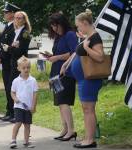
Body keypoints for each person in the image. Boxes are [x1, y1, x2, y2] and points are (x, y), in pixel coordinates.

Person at [60, 9, 104, 148]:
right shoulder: (87, 37)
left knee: (88, 109)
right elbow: (76, 53)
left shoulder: (95, 37)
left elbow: (100, 57)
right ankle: (88, 137)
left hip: (90, 80)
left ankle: (90, 140)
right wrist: (66, 64)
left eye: (78, 26)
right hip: (83, 80)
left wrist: (87, 48)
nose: (78, 28)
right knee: (86, 109)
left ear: (85, 23)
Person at [47, 12, 78, 141]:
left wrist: (58, 57)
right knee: (59, 103)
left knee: (64, 102)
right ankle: (65, 129)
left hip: (66, 73)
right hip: (55, 73)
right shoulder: (58, 37)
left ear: (61, 24)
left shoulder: (70, 34)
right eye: (52, 26)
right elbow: (59, 52)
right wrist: (51, 56)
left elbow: (74, 53)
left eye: (55, 26)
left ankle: (71, 130)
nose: (54, 29)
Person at [0, 11, 32, 123]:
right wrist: (10, 48)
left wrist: (9, 48)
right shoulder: (15, 31)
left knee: (15, 89)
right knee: (10, 88)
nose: (17, 20)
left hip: (21, 65)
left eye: (20, 18)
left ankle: (16, 114)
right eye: (16, 18)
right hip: (13, 63)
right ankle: (11, 112)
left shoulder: (25, 33)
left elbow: (21, 50)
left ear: (24, 20)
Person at [0, 2, 21, 122]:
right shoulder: (8, 26)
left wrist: (2, 54)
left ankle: (13, 112)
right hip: (4, 61)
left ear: (12, 13)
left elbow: (10, 46)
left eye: (6, 12)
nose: (4, 14)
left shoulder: (14, 27)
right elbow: (1, 43)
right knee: (7, 87)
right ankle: (9, 111)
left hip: (10, 61)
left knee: (11, 87)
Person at [10, 56, 38, 149]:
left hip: (28, 107)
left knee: (27, 125)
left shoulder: (33, 80)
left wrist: (33, 106)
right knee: (18, 122)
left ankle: (26, 142)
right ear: (19, 68)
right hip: (18, 106)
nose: (26, 69)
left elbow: (35, 94)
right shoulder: (16, 81)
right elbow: (12, 92)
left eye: (28, 67)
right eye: (24, 68)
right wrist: (15, 98)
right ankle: (13, 140)